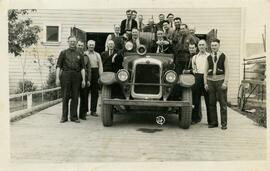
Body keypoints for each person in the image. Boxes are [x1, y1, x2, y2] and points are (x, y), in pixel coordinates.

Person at [56, 36, 86, 123]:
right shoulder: (63, 53)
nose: (72, 43)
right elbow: (58, 67)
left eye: (74, 41)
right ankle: (64, 117)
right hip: (66, 76)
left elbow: (83, 68)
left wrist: (83, 80)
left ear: (76, 42)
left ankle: (74, 117)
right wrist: (57, 78)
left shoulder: (80, 54)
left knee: (75, 97)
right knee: (65, 96)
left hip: (77, 76)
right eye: (71, 41)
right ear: (68, 42)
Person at [204, 38, 228, 129]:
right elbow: (205, 71)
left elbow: (227, 70)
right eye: (212, 45)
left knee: (223, 103)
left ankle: (224, 124)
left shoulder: (223, 56)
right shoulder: (208, 57)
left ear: (219, 46)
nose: (214, 47)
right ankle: (214, 122)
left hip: (221, 81)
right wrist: (205, 83)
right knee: (211, 103)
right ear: (210, 46)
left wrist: (225, 82)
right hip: (210, 82)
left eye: (215, 45)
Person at [191, 39, 210, 125]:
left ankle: (211, 120)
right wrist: (195, 72)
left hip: (207, 77)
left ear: (206, 46)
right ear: (198, 47)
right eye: (200, 45)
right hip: (198, 77)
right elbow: (194, 68)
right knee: (196, 99)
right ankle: (195, 118)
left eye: (203, 45)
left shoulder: (209, 56)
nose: (201, 46)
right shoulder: (195, 57)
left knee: (208, 99)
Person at [84, 40, 103, 117]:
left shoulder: (97, 55)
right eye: (90, 45)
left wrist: (100, 76)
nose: (91, 46)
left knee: (95, 93)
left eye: (93, 45)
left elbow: (100, 66)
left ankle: (93, 111)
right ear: (87, 45)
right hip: (87, 73)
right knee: (85, 92)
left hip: (95, 73)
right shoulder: (84, 54)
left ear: (94, 46)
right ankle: (85, 110)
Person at [77, 41, 91, 120]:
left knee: (84, 96)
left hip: (84, 78)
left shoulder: (86, 56)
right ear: (77, 45)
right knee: (75, 97)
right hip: (75, 77)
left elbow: (88, 69)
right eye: (79, 45)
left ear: (84, 46)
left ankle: (82, 115)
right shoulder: (73, 54)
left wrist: (88, 80)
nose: (80, 46)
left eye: (81, 45)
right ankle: (74, 114)